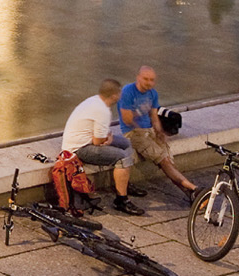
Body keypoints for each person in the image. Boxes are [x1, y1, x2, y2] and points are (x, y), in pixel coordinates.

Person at [62, 80, 144, 215]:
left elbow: (101, 134)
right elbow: (97, 141)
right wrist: (109, 139)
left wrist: (108, 138)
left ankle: (124, 182)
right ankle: (121, 200)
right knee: (122, 158)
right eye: (119, 93)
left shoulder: (94, 101)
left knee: (126, 143)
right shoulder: (103, 111)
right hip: (79, 149)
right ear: (114, 96)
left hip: (83, 141)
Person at [117, 67, 197, 196]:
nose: (148, 82)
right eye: (145, 79)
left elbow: (154, 116)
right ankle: (192, 188)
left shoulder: (152, 94)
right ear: (138, 77)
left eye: (152, 80)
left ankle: (190, 193)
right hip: (133, 132)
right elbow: (127, 120)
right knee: (163, 160)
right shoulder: (127, 92)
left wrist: (159, 133)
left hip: (149, 131)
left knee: (168, 160)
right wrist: (142, 131)